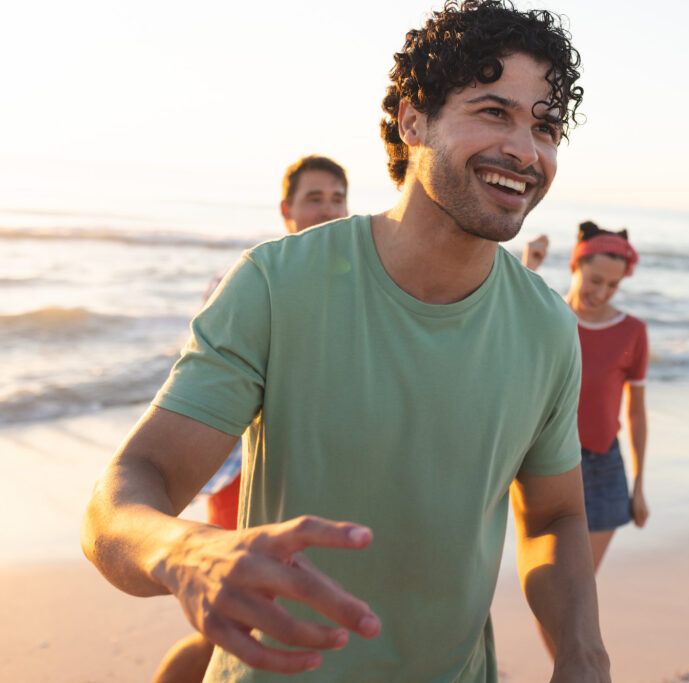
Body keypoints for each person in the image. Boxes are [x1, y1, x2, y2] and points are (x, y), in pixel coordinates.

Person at [81, 2, 611, 681]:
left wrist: (582, 652)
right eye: (493, 111)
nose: (525, 149)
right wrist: (186, 552)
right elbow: (118, 501)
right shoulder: (275, 284)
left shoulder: (545, 324)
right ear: (412, 119)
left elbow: (556, 515)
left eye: (545, 125)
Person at [152, 154, 350, 683]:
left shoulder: (354, 281)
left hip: (316, 472)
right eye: (315, 199)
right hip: (245, 473)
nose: (329, 210)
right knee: (233, 624)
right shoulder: (251, 278)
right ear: (287, 211)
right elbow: (209, 382)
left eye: (337, 198)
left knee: (291, 613)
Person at [522, 222, 649, 654]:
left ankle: (570, 670)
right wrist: (528, 267)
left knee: (575, 594)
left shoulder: (633, 332)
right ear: (576, 265)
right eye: (596, 280)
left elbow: (634, 411)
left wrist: (640, 485)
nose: (603, 291)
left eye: (613, 285)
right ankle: (572, 669)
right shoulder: (548, 315)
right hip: (544, 466)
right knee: (552, 593)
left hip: (604, 469)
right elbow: (510, 335)